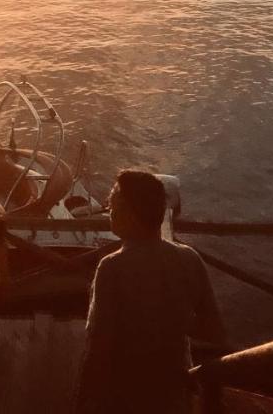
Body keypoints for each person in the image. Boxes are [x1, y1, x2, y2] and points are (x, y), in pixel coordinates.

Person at [76, 170, 226, 414]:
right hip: (175, 391)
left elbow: (98, 347)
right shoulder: (189, 259)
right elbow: (215, 333)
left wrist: (83, 402)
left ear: (130, 214)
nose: (109, 212)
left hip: (124, 396)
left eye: (112, 205)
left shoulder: (112, 268)